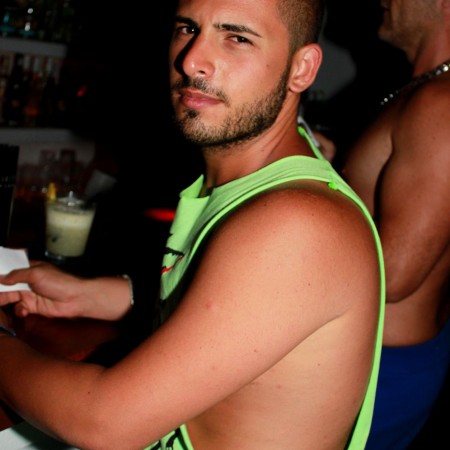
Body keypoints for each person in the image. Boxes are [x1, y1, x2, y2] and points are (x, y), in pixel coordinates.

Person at [0, 0, 385, 449]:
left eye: (237, 38)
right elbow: (238, 312)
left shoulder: (298, 225)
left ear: (302, 69)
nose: (191, 60)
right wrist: (99, 295)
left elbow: (104, 422)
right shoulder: (254, 184)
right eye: (187, 28)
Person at [341, 0, 450, 448]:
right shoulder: (428, 95)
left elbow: (396, 273)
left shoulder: (440, 104)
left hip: (376, 368)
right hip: (377, 357)